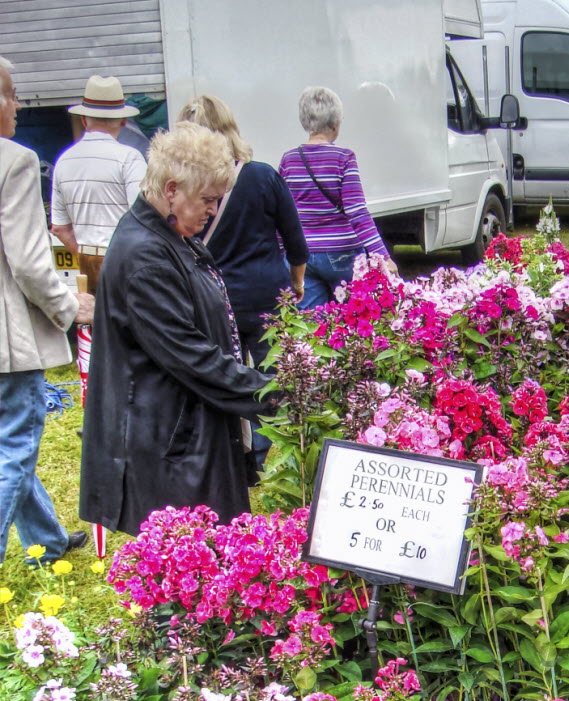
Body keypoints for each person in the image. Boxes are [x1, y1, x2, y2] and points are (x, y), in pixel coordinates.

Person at [79, 122, 273, 537]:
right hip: (166, 446)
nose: (213, 211)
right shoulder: (146, 254)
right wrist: (273, 394)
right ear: (171, 190)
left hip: (180, 432)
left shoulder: (168, 234)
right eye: (207, 200)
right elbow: (190, 355)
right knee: (185, 571)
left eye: (217, 200)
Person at [178, 94, 307, 470]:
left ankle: (239, 451)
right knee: (274, 376)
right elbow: (296, 243)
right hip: (267, 292)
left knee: (226, 374)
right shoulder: (263, 175)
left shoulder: (187, 190)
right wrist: (295, 283)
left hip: (211, 295)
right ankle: (274, 450)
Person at [0, 55, 94, 566]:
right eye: (12, 93)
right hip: (7, 339)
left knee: (9, 446)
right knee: (15, 447)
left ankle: (45, 541)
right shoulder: (12, 160)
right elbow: (31, 264)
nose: (17, 105)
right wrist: (69, 306)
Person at [50, 75, 147, 403]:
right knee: (132, 335)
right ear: (122, 118)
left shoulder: (64, 161)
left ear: (84, 118)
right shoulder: (130, 159)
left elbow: (60, 227)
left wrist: (84, 251)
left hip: (87, 260)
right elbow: (142, 217)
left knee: (91, 331)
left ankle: (95, 407)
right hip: (127, 258)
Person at [279, 86, 395, 310]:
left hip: (303, 255)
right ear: (335, 123)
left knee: (314, 329)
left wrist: (282, 251)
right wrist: (383, 256)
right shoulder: (343, 158)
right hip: (343, 253)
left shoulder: (289, 160)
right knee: (354, 323)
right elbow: (357, 212)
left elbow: (283, 213)